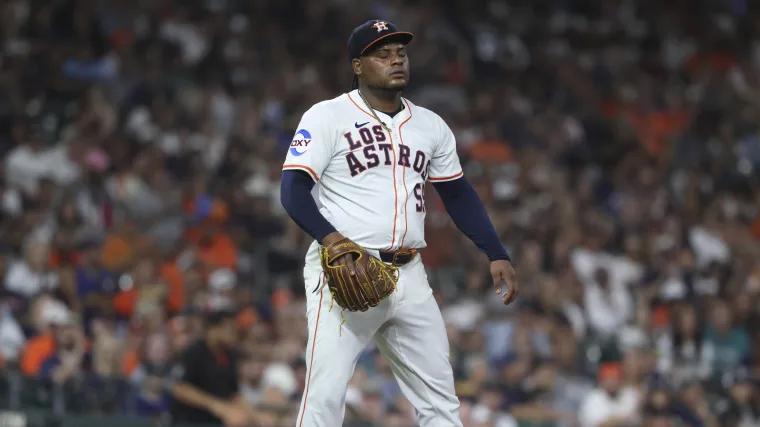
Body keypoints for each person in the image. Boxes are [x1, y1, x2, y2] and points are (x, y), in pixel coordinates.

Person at [279, 19, 519, 427]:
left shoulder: (430, 125)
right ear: (358, 66)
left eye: (400, 53)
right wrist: (331, 239)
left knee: (441, 402)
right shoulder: (327, 116)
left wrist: (495, 251)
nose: (396, 60)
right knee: (325, 396)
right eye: (382, 54)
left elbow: (457, 193)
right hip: (344, 269)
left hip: (410, 275)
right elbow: (292, 190)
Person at [168, 309, 256, 426]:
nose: (234, 332)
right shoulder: (193, 352)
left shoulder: (229, 355)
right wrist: (215, 405)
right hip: (189, 421)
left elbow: (233, 393)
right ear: (213, 329)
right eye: (229, 328)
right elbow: (179, 388)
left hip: (216, 421)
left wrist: (253, 414)